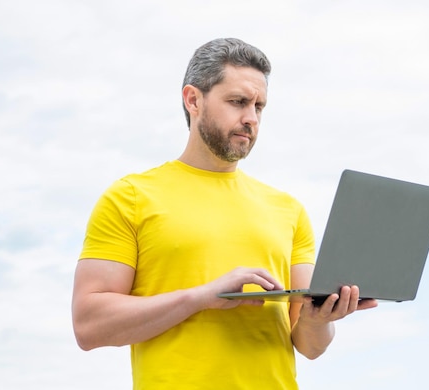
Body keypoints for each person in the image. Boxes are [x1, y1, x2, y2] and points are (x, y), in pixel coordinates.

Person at [71, 37, 378, 390]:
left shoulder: (288, 210)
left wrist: (320, 318)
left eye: (259, 106)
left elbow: (309, 345)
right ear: (193, 99)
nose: (250, 118)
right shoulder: (130, 197)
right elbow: (88, 326)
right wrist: (202, 297)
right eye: (237, 102)